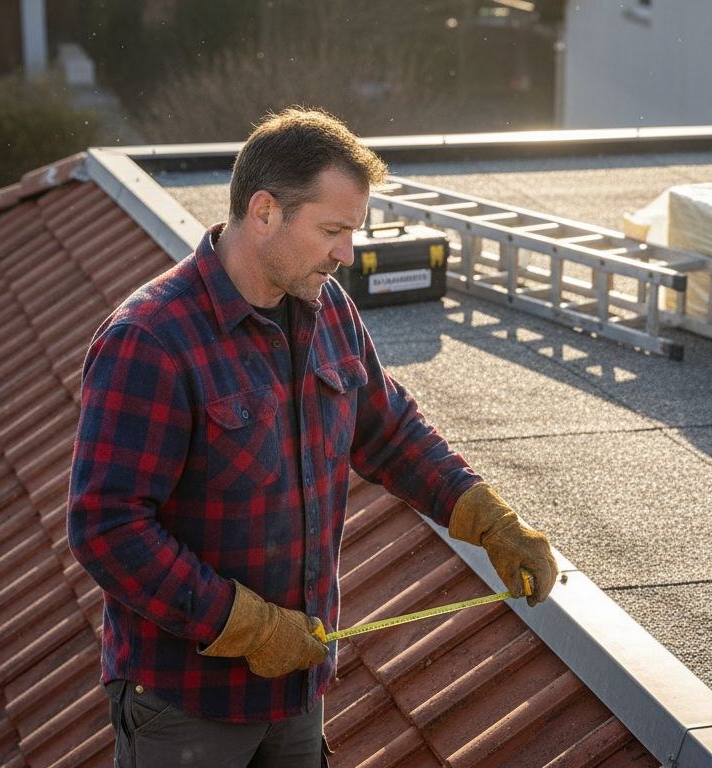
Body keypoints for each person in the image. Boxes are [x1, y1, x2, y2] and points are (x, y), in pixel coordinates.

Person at [67, 107, 558, 768]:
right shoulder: (150, 340)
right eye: (332, 230)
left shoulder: (329, 312)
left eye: (351, 232)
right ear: (264, 211)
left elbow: (390, 432)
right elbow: (107, 528)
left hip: (296, 691)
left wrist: (489, 519)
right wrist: (241, 624)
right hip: (184, 707)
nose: (346, 254)